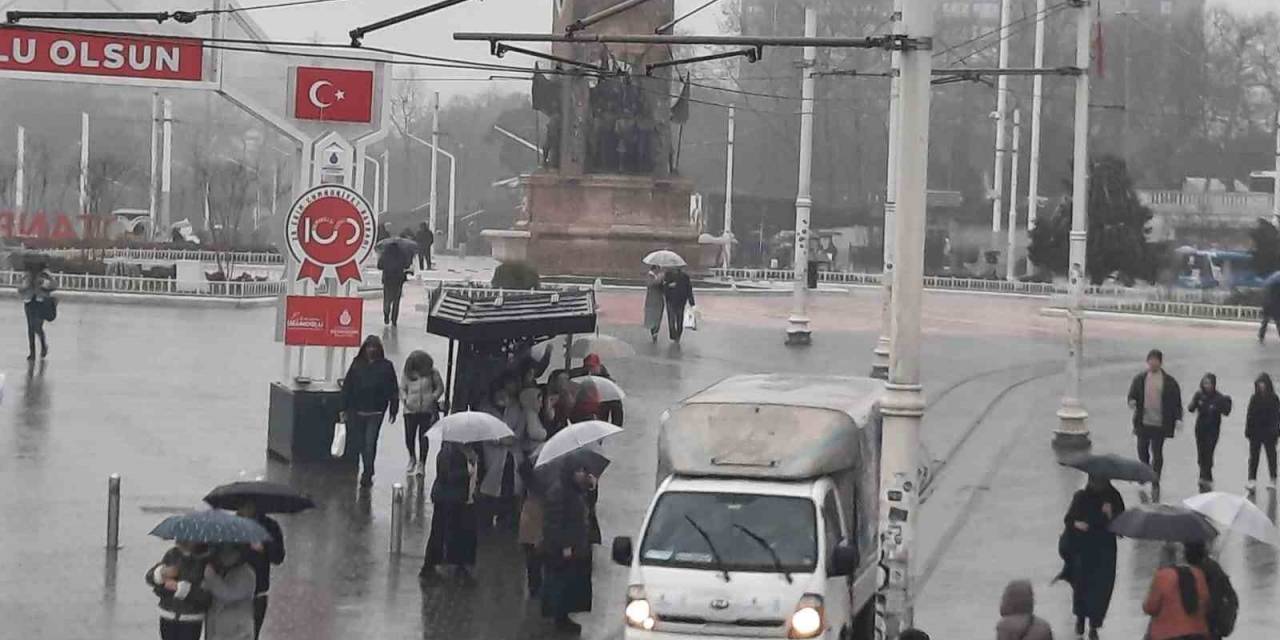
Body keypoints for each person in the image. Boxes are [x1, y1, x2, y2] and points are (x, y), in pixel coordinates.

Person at [1058, 475, 1125, 639]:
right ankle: (1080, 617)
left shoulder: (1113, 497)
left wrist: (1111, 516)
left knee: (1101, 589)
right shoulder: (1081, 497)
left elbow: (1123, 528)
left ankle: (1094, 624)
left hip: (1105, 551)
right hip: (1083, 549)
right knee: (1082, 586)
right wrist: (1077, 524)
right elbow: (1069, 519)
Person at [542, 455, 596, 633]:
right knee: (562, 584)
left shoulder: (576, 490)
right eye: (578, 471)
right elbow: (554, 522)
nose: (581, 474)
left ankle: (565, 616)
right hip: (563, 549)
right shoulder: (559, 492)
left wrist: (590, 486)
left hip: (576, 545)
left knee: (572, 583)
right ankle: (560, 619)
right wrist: (564, 545)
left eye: (583, 470)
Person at [341, 335, 400, 487]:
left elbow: (393, 389)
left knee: (369, 442)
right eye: (369, 347)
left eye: (374, 347)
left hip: (376, 412)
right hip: (358, 411)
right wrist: (343, 408)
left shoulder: (386, 366)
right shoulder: (357, 364)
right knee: (361, 443)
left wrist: (393, 409)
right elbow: (348, 386)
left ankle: (368, 471)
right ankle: (368, 468)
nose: (371, 350)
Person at [421, 441, 480, 579]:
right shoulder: (448, 452)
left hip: (463, 499)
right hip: (446, 499)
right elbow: (446, 475)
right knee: (440, 533)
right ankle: (432, 565)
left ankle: (460, 565)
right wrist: (468, 471)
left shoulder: (471, 452)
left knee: (461, 532)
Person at [1127, 349, 1183, 483]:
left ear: (1160, 362)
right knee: (1142, 449)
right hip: (1143, 421)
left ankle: (1155, 477)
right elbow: (1131, 395)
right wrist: (1132, 402)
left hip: (1160, 423)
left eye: (1155, 361)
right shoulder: (1140, 379)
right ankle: (1144, 471)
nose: (1152, 363)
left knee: (1157, 452)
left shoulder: (1169, 382)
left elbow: (1176, 402)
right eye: (1150, 360)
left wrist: (1178, 418)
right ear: (1147, 362)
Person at [234, 502, 284, 640]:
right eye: (242, 505)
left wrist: (264, 547)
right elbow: (223, 555)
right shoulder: (233, 526)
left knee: (252, 634)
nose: (243, 508)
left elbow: (278, 557)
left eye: (248, 504)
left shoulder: (270, 526)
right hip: (233, 592)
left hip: (258, 593)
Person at [146, 542, 212, 640]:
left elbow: (207, 597)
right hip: (168, 614)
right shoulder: (172, 554)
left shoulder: (205, 559)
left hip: (190, 618)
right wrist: (162, 573)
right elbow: (150, 579)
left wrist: (183, 589)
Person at [1142, 545, 1211, 640]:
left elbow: (1150, 607)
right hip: (1198, 633)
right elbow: (1206, 601)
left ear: (1164, 558)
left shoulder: (1162, 576)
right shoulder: (1198, 573)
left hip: (1167, 635)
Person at [401, 350, 445, 476]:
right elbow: (402, 388)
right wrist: (405, 399)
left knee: (424, 437)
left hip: (427, 410)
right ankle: (412, 457)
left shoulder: (433, 373)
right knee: (409, 437)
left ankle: (422, 463)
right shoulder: (407, 374)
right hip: (410, 410)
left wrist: (433, 397)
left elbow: (440, 388)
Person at [201, 544, 257, 640]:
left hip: (238, 631)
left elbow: (229, 595)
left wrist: (212, 578)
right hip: (216, 630)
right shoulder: (222, 571)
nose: (223, 557)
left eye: (227, 553)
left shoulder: (246, 573)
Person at [1188, 373, 1232, 491]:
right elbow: (1190, 408)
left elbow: (1226, 411)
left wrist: (1227, 402)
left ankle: (1205, 477)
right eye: (1205, 383)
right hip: (1200, 429)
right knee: (1201, 454)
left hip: (1213, 430)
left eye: (1209, 383)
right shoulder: (1199, 395)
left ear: (1213, 384)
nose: (1207, 386)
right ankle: (1204, 475)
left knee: (1208, 453)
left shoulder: (1218, 397)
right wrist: (1194, 403)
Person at [1185, 541, 1237, 640]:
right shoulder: (1214, 568)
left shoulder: (1187, 574)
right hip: (1213, 629)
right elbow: (1231, 597)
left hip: (1197, 630)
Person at [1245, 372, 1280, 493]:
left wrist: (1276, 431)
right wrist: (1248, 430)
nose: (1261, 386)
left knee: (1271, 456)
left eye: (1263, 384)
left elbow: (1277, 416)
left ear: (1267, 384)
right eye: (1259, 384)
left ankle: (1273, 479)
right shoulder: (1254, 398)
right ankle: (1252, 480)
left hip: (1269, 432)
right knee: (1253, 457)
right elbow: (1249, 415)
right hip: (1255, 432)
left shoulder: (1274, 398)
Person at [18, 256, 55, 361]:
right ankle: (32, 352)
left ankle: (43, 346)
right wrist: (25, 286)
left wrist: (44, 285)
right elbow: (19, 288)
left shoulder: (45, 274)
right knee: (30, 327)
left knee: (37, 327)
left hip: (41, 302)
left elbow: (54, 285)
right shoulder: (26, 275)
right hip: (29, 302)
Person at [570, 354, 623, 426]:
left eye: (592, 367)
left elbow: (617, 410)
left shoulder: (608, 384)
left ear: (598, 367)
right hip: (581, 421)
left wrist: (615, 426)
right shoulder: (578, 381)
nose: (589, 370)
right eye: (587, 367)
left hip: (601, 421)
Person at [377, 242, 410, 326]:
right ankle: (394, 320)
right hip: (398, 280)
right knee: (396, 301)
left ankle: (386, 314)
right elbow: (407, 265)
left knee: (387, 299)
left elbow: (379, 266)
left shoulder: (385, 254)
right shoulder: (402, 254)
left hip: (387, 279)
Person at [662, 266, 696, 343]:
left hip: (681, 301)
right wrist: (668, 287)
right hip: (670, 301)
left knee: (679, 319)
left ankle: (678, 335)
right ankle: (673, 334)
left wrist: (692, 302)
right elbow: (663, 288)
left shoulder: (685, 277)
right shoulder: (668, 275)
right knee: (671, 320)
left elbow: (689, 290)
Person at [643, 265, 666, 342]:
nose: (659, 270)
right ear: (655, 269)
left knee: (658, 316)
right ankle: (654, 332)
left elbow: (663, 289)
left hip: (659, 300)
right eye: (658, 269)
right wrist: (659, 279)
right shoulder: (650, 276)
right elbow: (650, 284)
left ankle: (656, 332)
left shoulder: (659, 277)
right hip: (651, 300)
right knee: (652, 316)